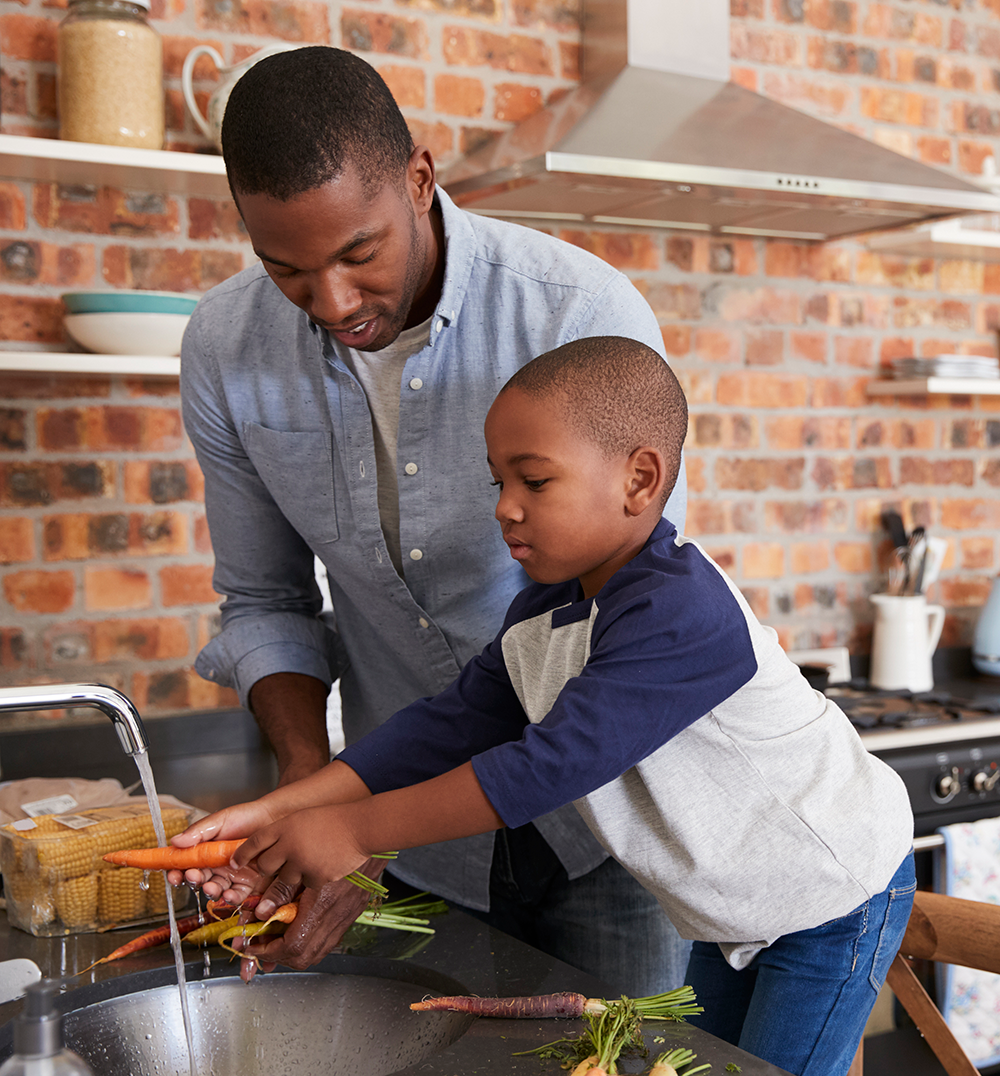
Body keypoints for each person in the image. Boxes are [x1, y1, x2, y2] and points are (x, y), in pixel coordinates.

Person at [175, 336, 916, 1076]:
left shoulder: (680, 609)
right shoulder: (546, 613)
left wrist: (349, 828)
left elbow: (545, 769)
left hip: (831, 896)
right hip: (742, 909)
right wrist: (281, 811)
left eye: (533, 481)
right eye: (497, 481)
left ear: (639, 480)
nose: (504, 508)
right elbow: (449, 726)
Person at [178, 45, 689, 992]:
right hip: (412, 849)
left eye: (358, 252)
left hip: (606, 836)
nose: (333, 303)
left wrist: (354, 822)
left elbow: (618, 624)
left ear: (419, 179)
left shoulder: (577, 314)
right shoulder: (224, 347)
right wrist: (307, 797)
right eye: (285, 268)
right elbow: (264, 601)